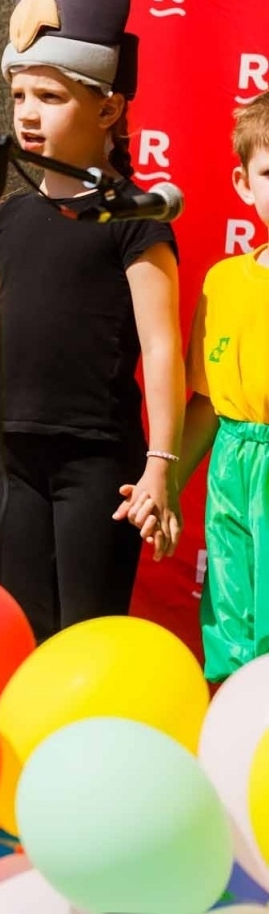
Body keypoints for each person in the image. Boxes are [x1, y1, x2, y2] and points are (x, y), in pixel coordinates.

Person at [0, 0, 184, 640]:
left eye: (49, 96)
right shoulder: (8, 217)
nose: (28, 112)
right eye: (20, 94)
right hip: (12, 457)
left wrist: (160, 463)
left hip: (96, 462)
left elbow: (162, 346)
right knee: (23, 631)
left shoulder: (134, 216)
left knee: (87, 632)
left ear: (108, 110)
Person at [172, 92, 269, 679]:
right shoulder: (224, 281)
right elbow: (207, 403)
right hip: (233, 473)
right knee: (233, 623)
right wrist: (165, 483)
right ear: (244, 183)